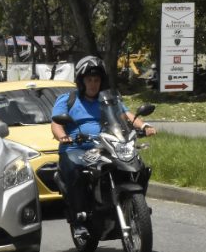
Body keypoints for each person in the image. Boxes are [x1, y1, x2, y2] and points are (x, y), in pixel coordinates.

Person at [50, 56, 156, 239]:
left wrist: (144, 126)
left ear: (102, 81)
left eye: (96, 80)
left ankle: (136, 206)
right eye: (89, 80)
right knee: (76, 171)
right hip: (77, 147)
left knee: (139, 165)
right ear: (82, 81)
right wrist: (63, 136)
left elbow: (126, 115)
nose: (93, 84)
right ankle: (79, 220)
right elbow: (56, 123)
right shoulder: (68, 99)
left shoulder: (108, 101)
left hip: (106, 146)